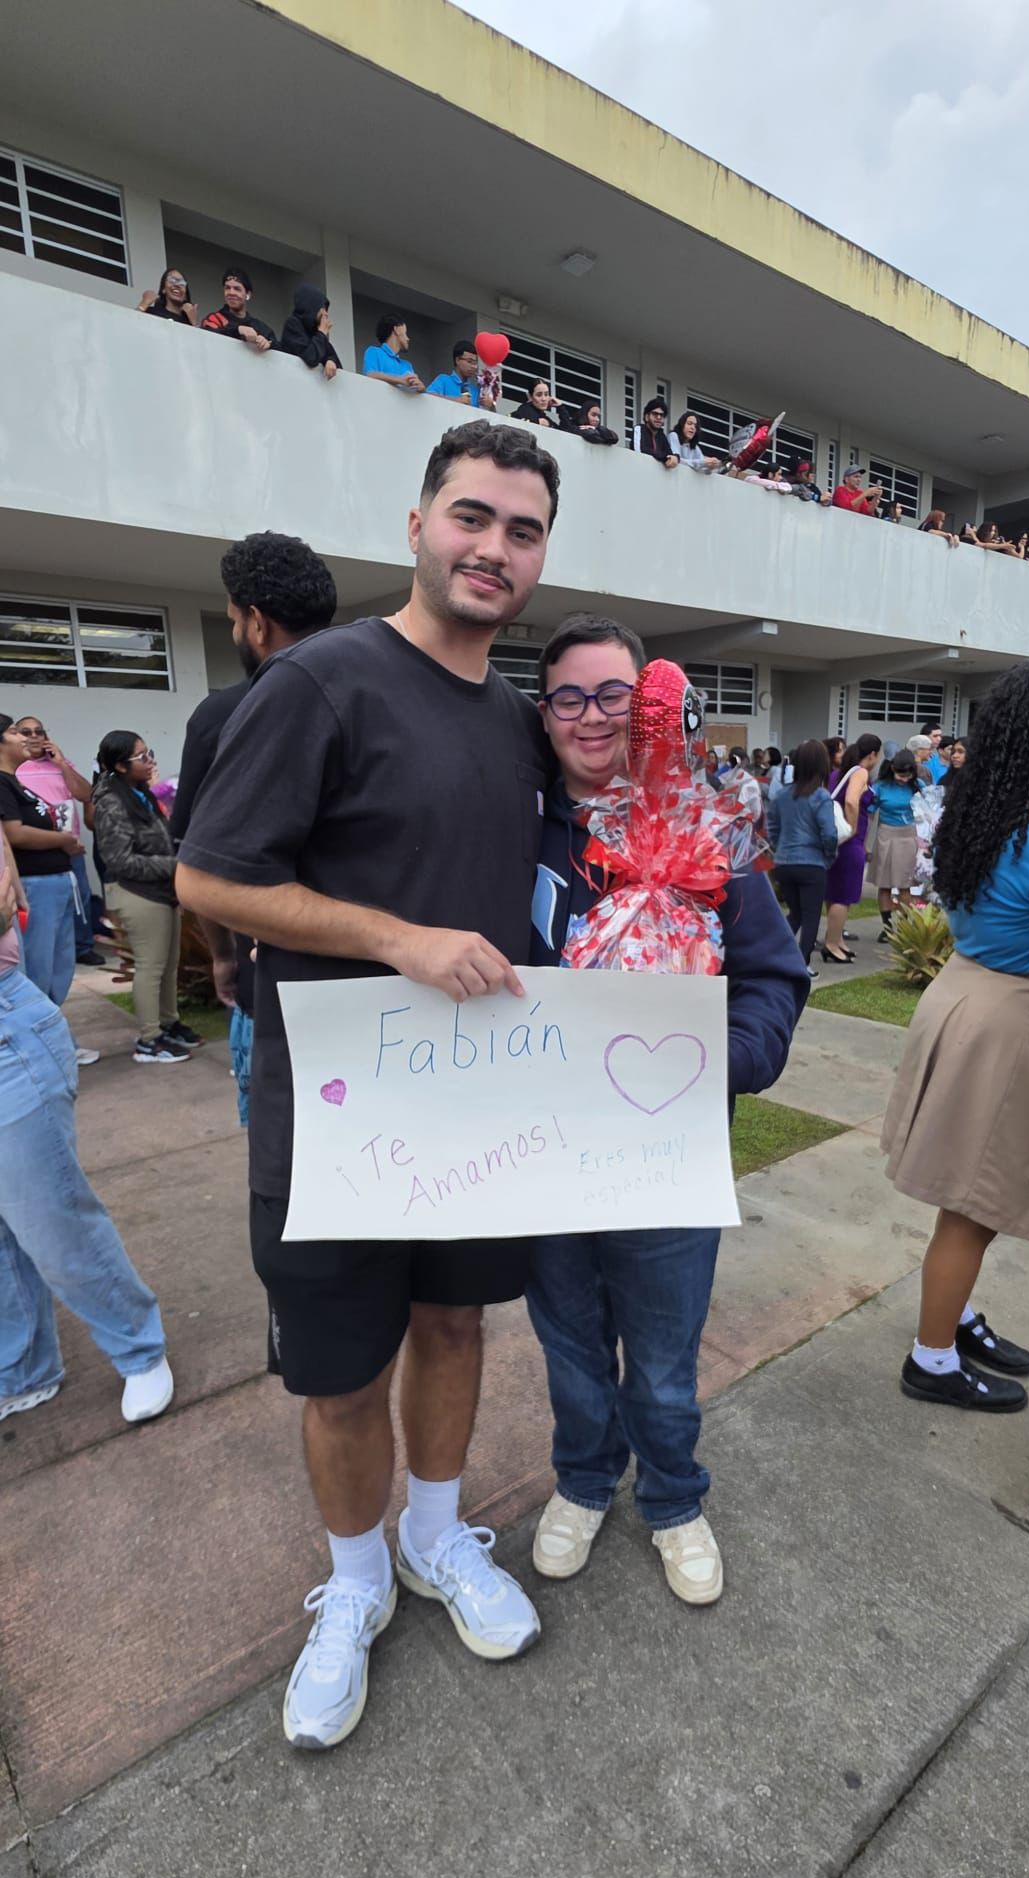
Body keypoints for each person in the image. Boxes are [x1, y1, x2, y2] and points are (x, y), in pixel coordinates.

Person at [177, 419, 561, 1752]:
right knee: (339, 1376)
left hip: (471, 1108)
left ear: (539, 557)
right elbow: (209, 875)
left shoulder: (515, 721)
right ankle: (352, 1586)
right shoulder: (322, 681)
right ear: (416, 526)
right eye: (471, 516)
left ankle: (437, 1537)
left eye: (521, 530)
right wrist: (397, 940)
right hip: (335, 1115)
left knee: (455, 1327)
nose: (492, 547)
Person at [527, 614, 807, 1600]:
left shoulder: (706, 831)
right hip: (543, 1150)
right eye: (569, 696)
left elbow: (774, 978)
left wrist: (720, 1060)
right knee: (568, 1343)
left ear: (649, 706)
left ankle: (674, 1496)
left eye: (613, 693)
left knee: (660, 1355)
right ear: (544, 712)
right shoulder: (513, 828)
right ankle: (584, 1478)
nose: (592, 715)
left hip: (667, 1152)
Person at [882, 655, 1029, 1413]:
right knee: (975, 1202)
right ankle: (932, 1358)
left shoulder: (984, 814)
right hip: (1010, 1023)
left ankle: (954, 1316)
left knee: (968, 1193)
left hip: (967, 995)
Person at [0, 840, 176, 1426]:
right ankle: (22, 1369)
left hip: (7, 1036)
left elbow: (4, 906)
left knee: (51, 1219)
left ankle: (139, 1347)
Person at [170, 533, 339, 1126]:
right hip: (374, 991)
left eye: (233, 620)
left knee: (279, 1154)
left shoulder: (222, 714)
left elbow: (205, 868)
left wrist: (223, 956)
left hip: (269, 982)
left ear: (257, 624)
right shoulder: (385, 699)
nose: (236, 631)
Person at [93, 734, 203, 1065]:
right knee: (151, 966)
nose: (150, 760)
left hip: (161, 891)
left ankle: (169, 1023)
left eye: (149, 753)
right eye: (141, 757)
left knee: (168, 965)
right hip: (137, 893)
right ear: (119, 766)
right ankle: (149, 1038)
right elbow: (119, 860)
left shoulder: (140, 794)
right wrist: (175, 866)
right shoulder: (111, 802)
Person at [0, 713, 83, 1006]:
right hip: (35, 883)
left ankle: (53, 1021)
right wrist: (64, 840)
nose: (28, 738)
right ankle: (40, 1021)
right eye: (17, 732)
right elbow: (14, 834)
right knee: (39, 965)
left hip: (56, 880)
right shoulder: (2, 783)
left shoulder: (15, 782)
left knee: (59, 963)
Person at [12, 716, 102, 967]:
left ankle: (83, 947)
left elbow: (86, 794)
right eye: (26, 732)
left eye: (38, 731)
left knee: (80, 896)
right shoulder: (13, 767)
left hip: (68, 844)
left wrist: (61, 763)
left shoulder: (60, 764)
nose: (33, 736)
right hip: (33, 846)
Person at [767, 739, 838, 969]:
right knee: (811, 917)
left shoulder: (782, 796)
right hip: (812, 862)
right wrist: (829, 856)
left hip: (784, 862)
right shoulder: (821, 796)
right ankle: (801, 964)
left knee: (795, 913)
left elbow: (772, 829)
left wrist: (780, 848)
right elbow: (829, 833)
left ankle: (777, 955)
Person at [823, 734, 883, 961]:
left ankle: (837, 939)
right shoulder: (860, 772)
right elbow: (851, 800)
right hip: (850, 842)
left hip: (836, 841)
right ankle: (832, 944)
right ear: (873, 754)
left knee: (834, 892)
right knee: (843, 895)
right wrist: (853, 827)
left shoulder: (837, 774)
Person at [871, 749, 921, 939]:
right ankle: (887, 927)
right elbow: (870, 812)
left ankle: (904, 928)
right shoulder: (881, 787)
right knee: (884, 884)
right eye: (900, 775)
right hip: (886, 834)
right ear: (892, 769)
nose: (903, 779)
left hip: (908, 835)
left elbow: (928, 810)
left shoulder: (917, 786)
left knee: (904, 885)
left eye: (907, 776)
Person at [200, 268, 276, 351]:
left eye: (237, 289)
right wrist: (238, 330)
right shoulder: (215, 318)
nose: (231, 293)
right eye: (227, 288)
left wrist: (269, 344)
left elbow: (280, 346)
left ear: (248, 294)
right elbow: (206, 338)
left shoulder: (260, 327)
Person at [278, 285, 340, 379]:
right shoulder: (293, 325)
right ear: (312, 306)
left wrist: (331, 360)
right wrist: (322, 333)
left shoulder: (316, 333)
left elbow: (333, 357)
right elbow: (311, 358)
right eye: (323, 308)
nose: (326, 314)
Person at [361, 312, 424, 391]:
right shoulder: (374, 352)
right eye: (405, 333)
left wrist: (422, 389)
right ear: (396, 330)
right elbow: (370, 375)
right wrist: (401, 380)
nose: (408, 338)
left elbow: (414, 391)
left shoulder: (407, 365)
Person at [426, 340, 495, 410]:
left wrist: (491, 406)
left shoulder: (476, 391)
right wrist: (456, 400)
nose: (474, 367)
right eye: (469, 361)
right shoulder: (443, 380)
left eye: (475, 363)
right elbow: (428, 396)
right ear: (457, 360)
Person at [632, 397, 677, 467]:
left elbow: (669, 455)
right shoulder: (639, 429)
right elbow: (640, 451)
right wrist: (665, 457)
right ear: (647, 417)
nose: (659, 417)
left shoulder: (662, 436)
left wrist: (675, 457)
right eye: (655, 414)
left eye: (662, 415)